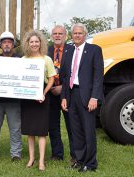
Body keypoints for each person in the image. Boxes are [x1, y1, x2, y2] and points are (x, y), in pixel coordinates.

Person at [61, 23, 104, 172]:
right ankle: (79, 160)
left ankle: (90, 163)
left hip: (87, 96)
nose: (77, 35)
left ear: (85, 34)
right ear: (71, 35)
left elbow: (98, 76)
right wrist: (64, 97)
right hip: (72, 94)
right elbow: (66, 77)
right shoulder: (68, 51)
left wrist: (95, 97)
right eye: (75, 33)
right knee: (76, 130)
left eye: (80, 33)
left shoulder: (94, 50)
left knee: (88, 130)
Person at [21, 30, 56, 171]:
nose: (34, 44)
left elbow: (52, 78)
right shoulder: (23, 60)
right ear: (27, 44)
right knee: (30, 130)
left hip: (42, 97)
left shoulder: (46, 59)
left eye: (37, 41)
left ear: (40, 43)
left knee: (41, 131)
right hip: (27, 98)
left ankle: (41, 161)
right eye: (32, 42)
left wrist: (44, 93)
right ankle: (31, 158)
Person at [0, 31, 22, 162]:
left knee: (15, 128)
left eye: (9, 42)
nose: (7, 44)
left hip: (14, 100)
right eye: (4, 42)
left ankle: (16, 154)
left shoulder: (21, 60)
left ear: (13, 44)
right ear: (1, 45)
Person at [48, 25, 75, 162]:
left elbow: (75, 72)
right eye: (55, 33)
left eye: (60, 33)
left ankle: (75, 155)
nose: (57, 36)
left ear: (66, 36)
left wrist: (63, 87)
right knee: (52, 125)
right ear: (51, 36)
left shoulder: (73, 50)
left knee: (72, 125)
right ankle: (57, 154)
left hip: (67, 93)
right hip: (50, 94)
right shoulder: (46, 51)